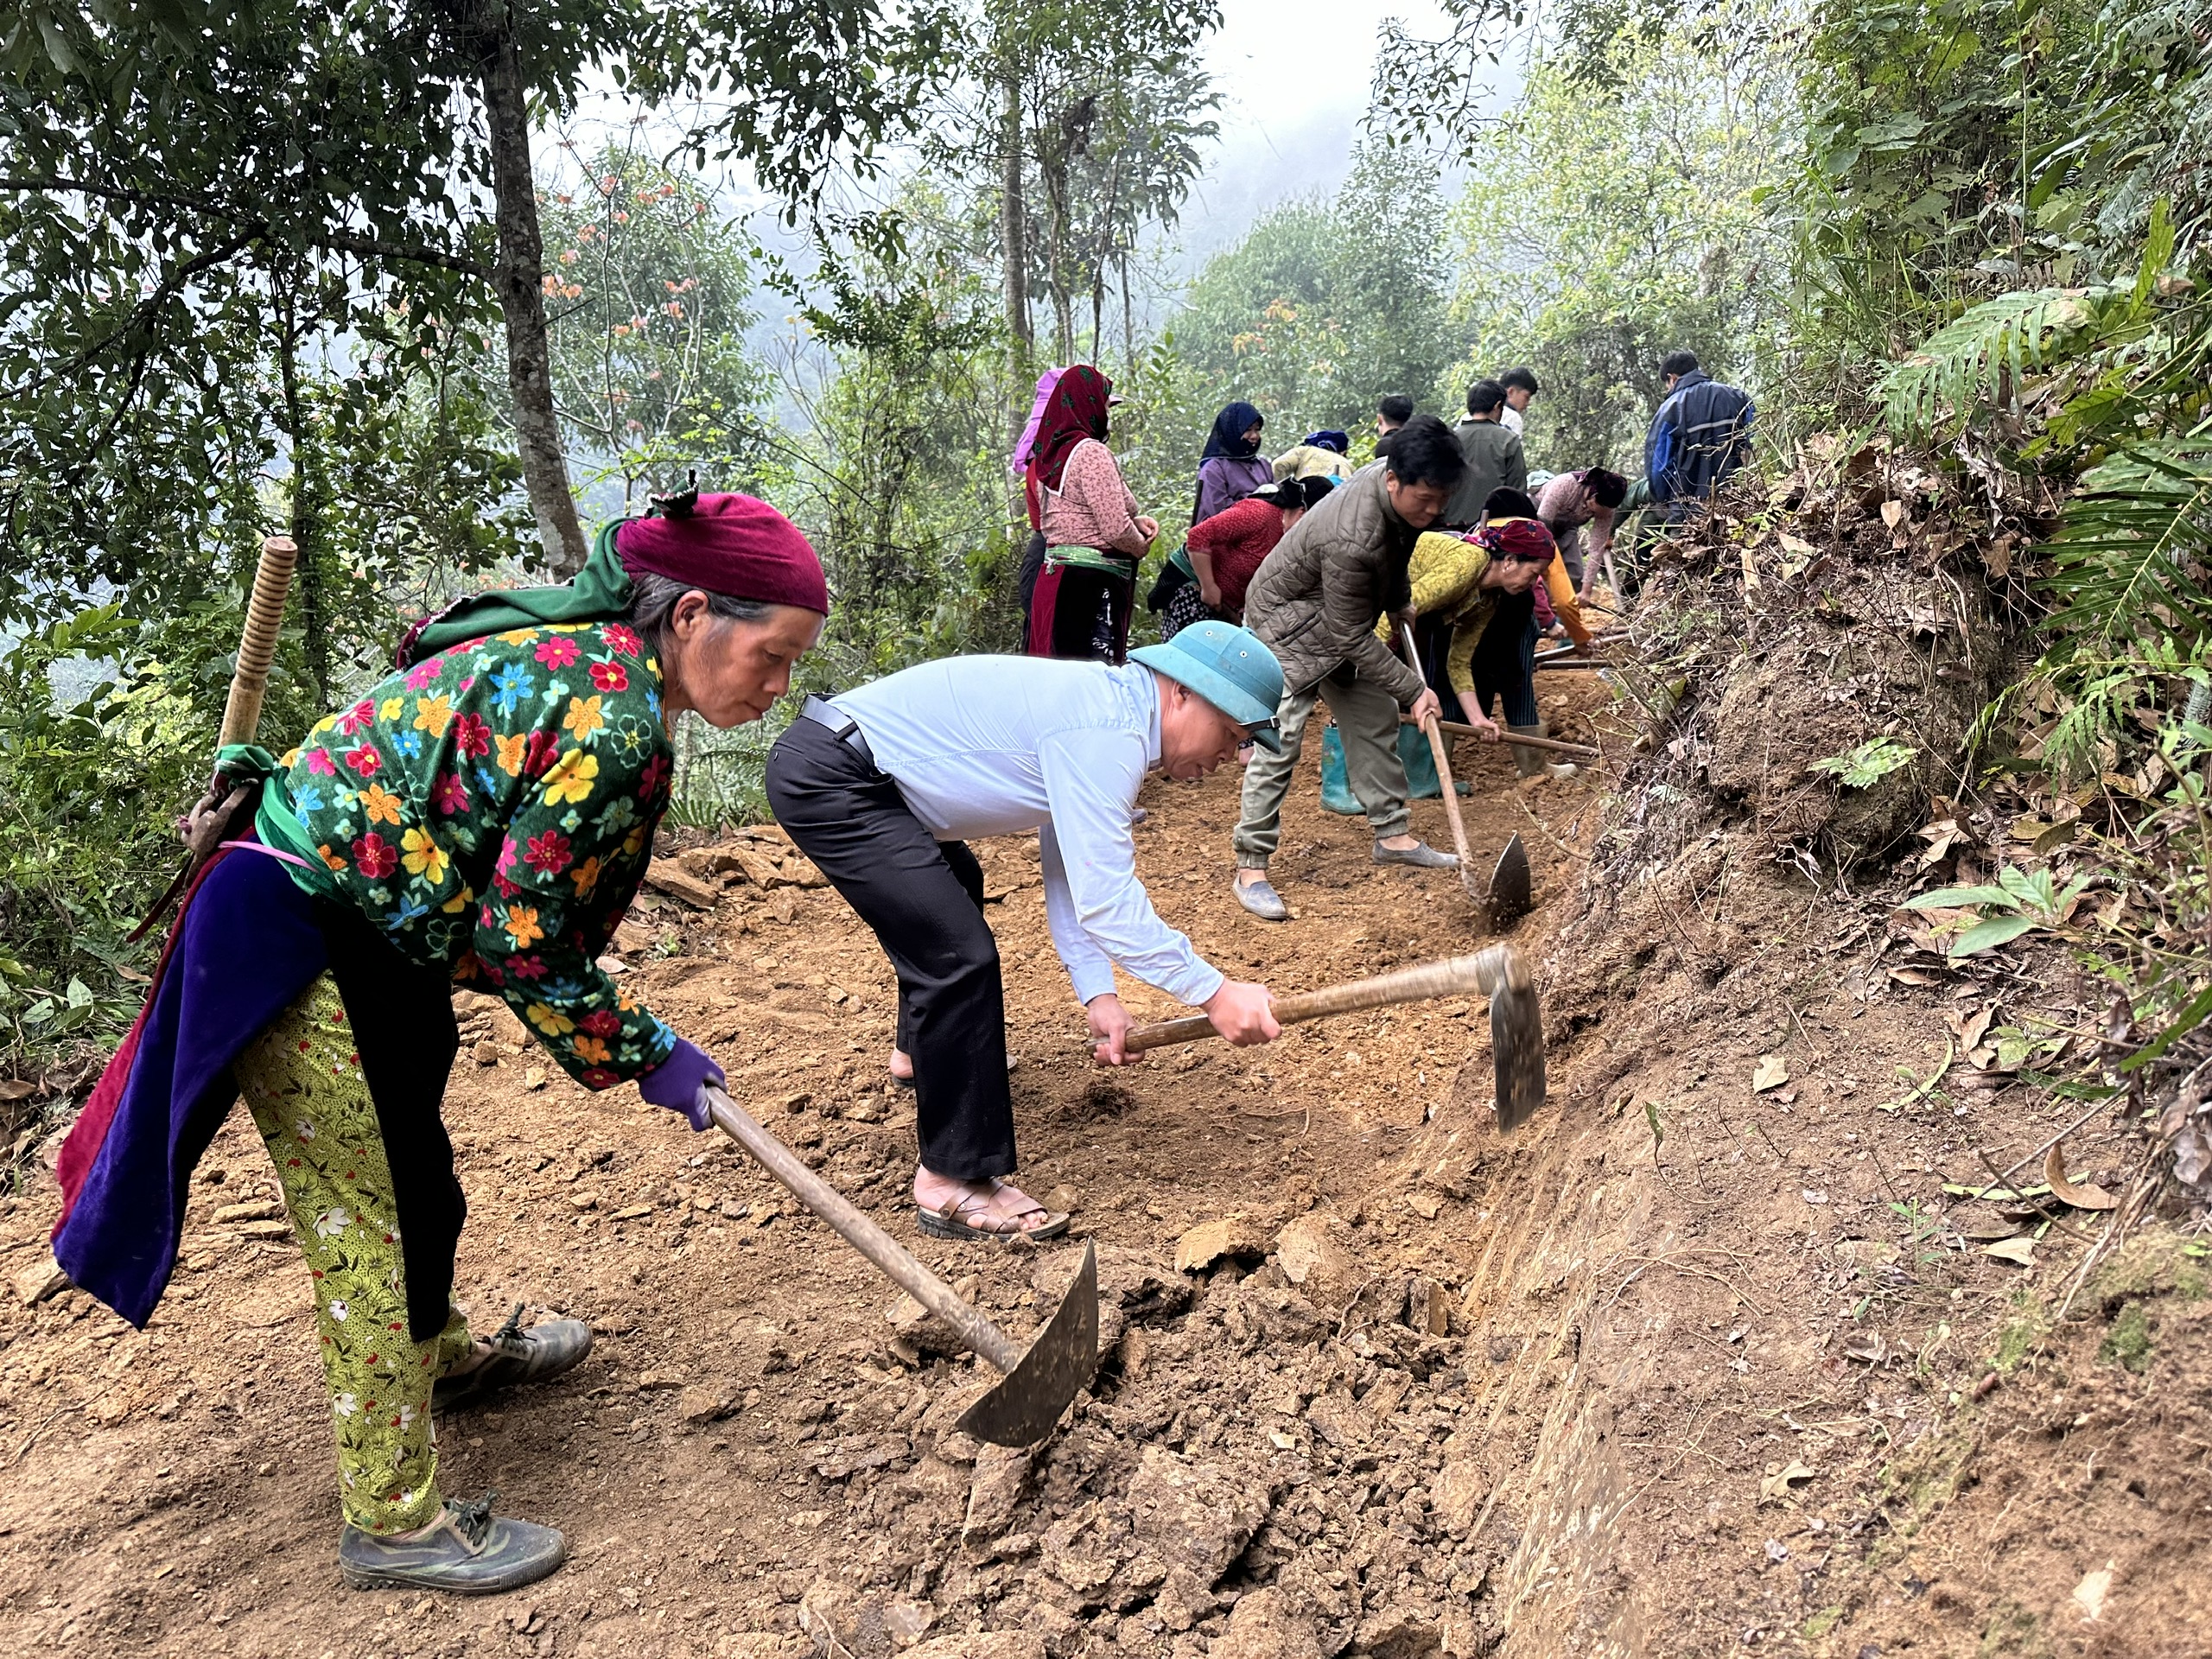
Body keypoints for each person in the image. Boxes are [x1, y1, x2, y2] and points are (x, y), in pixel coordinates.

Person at [50, 494, 830, 1592]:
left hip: (376, 920)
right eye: (773, 654)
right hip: (300, 928)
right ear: (694, 614)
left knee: (418, 1173)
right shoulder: (609, 718)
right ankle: (392, 1521)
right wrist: (641, 1049)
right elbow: (524, 939)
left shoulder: (592, 663)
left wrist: (624, 1038)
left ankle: (442, 1360)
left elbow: (455, 816)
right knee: (365, 1216)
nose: (776, 684)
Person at [764, 621, 1287, 1240]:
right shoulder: (1108, 730)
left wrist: (1099, 992)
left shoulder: (1108, 712)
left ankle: (920, 1054)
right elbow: (1108, 903)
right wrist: (1215, 993)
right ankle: (951, 1179)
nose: (1230, 756)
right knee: (960, 956)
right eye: (1230, 734)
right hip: (836, 777)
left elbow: (1069, 868)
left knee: (953, 895)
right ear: (1181, 693)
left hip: (853, 771)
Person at [1231, 414, 1465, 921]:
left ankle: (1393, 835)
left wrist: (1400, 598)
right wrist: (1413, 689)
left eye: (1440, 501)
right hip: (1287, 625)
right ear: (1392, 481)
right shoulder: (1353, 536)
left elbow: (1399, 547)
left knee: (1373, 718)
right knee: (1280, 739)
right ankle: (1251, 866)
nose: (1431, 511)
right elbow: (1349, 634)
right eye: (1423, 500)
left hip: (1338, 615)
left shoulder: (1395, 487)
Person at [1390, 496, 1571, 780]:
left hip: (1405, 616)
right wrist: (1374, 667)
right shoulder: (1466, 565)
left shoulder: (1488, 598)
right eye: (1534, 573)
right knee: (1373, 692)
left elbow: (1459, 662)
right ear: (1510, 561)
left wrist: (1479, 720)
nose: (1532, 583)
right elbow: (1401, 610)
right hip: (1380, 598)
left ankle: (1414, 775)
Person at [1026, 365, 1158, 664]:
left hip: (1054, 581)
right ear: (1089, 403)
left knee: (1054, 679)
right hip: (1087, 588)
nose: (1109, 414)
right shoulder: (1091, 453)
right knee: (1089, 688)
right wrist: (1140, 545)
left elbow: (1069, 514)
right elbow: (1115, 530)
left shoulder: (1048, 455)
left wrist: (1132, 522)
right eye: (1106, 405)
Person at [1156, 476, 1332, 638]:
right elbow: (1198, 535)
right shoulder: (1259, 513)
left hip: (1227, 607)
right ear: (1302, 513)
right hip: (1190, 588)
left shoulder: (1290, 540)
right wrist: (1208, 586)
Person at [1645, 351, 1754, 514]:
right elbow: (1756, 440)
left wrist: (1663, 498)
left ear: (1672, 378)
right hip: (1737, 500)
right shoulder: (1737, 396)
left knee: (1681, 538)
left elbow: (1657, 464)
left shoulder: (1669, 409)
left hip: (1686, 507)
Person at [1442, 379, 1528, 529]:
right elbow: (1517, 494)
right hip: (1493, 531)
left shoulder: (1448, 439)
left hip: (1450, 529)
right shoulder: (1508, 440)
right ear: (1497, 406)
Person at [1535, 466, 1629, 597]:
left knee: (1575, 574)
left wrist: (1586, 590)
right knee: (1541, 568)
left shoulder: (1607, 510)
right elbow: (1542, 526)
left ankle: (1562, 614)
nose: (1605, 513)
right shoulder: (1565, 485)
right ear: (1593, 496)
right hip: (1537, 521)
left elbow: (1597, 548)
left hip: (1566, 529)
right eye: (1601, 508)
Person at [1192, 401, 1274, 524]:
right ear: (1232, 432)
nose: (1254, 436)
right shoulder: (1213, 469)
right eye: (1248, 430)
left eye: (1257, 430)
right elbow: (1220, 513)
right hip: (1222, 540)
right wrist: (1258, 507)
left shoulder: (1263, 465)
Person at [1272, 430, 1351, 482]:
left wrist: (1284, 493)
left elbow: (1279, 464)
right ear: (1343, 452)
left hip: (1305, 503)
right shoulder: (1347, 463)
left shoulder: (1304, 450)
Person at [1497, 367, 1540, 436]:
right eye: (1526, 397)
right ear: (1511, 392)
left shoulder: (1481, 412)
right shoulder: (1513, 417)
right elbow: (1513, 447)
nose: (1528, 403)